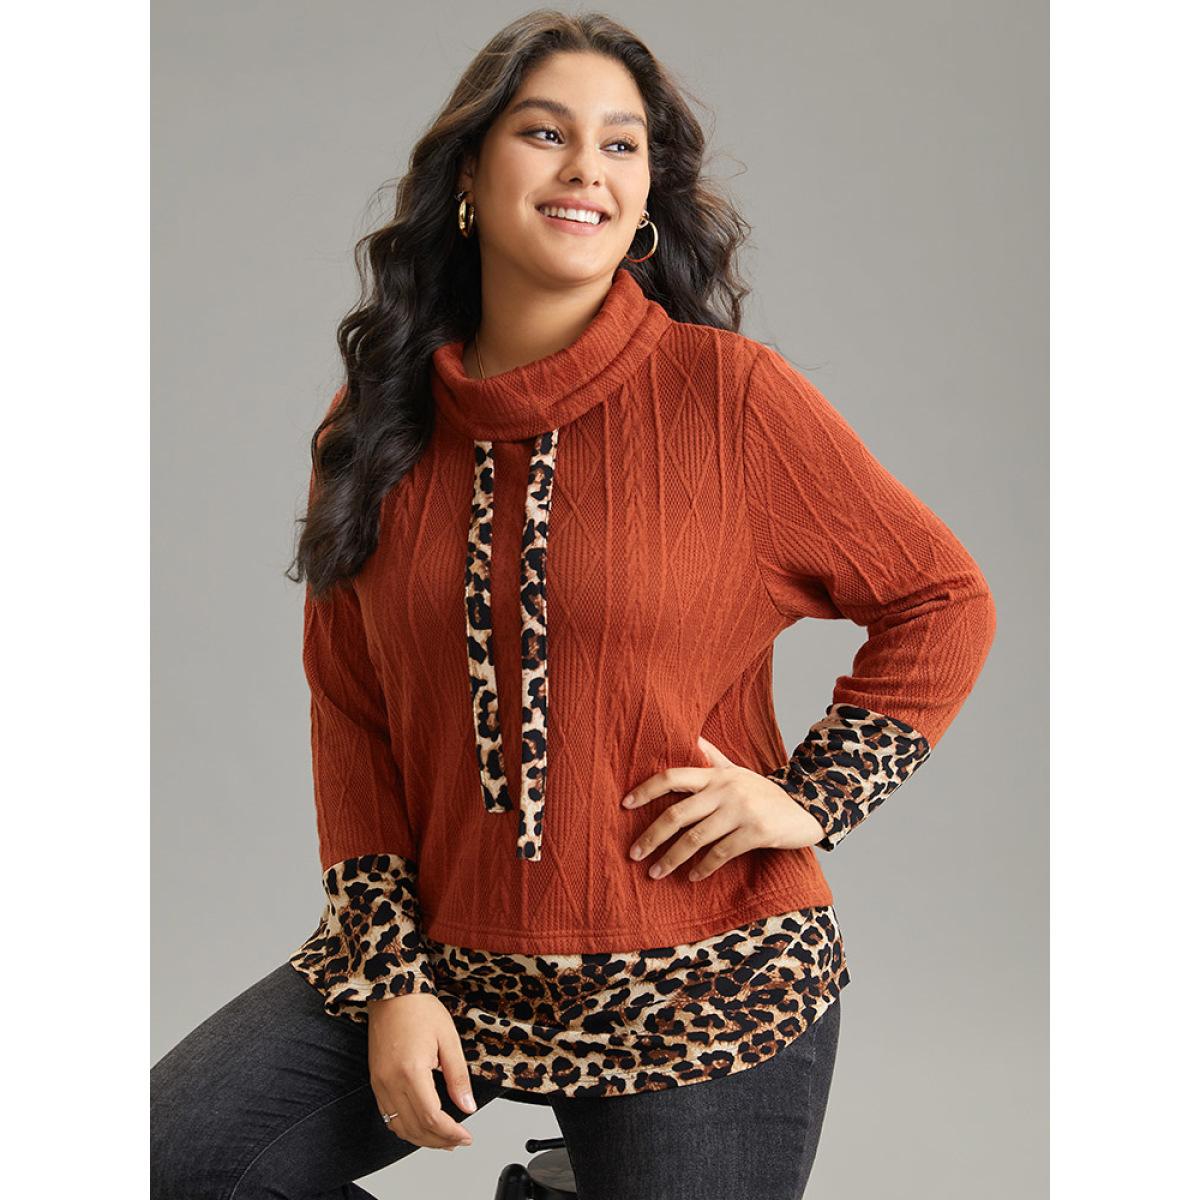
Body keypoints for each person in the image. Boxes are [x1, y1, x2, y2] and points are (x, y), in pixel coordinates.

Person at [151, 10, 996, 1199]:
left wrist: (811, 798)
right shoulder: (375, 421)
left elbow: (943, 598)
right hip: (441, 959)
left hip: (700, 978)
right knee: (168, 1164)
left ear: (646, 194)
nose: (585, 168)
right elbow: (351, 712)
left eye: (620, 144)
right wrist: (392, 981)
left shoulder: (732, 400)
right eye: (545, 133)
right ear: (469, 175)